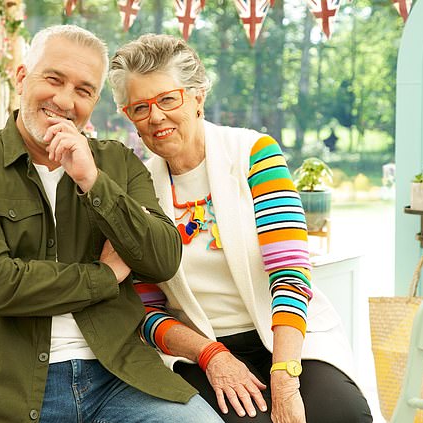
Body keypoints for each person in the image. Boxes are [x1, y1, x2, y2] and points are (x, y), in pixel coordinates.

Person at [0, 25, 223, 423]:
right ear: (21, 78)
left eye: (83, 90)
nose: (64, 100)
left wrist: (93, 182)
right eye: (53, 79)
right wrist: (104, 277)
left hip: (120, 378)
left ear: (95, 101)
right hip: (4, 388)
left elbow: (163, 259)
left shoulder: (116, 163)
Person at [108, 34, 373, 423]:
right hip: (200, 349)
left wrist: (284, 379)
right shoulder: (135, 190)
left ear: (198, 96)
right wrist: (211, 355)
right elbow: (145, 310)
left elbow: (290, 273)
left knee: (342, 414)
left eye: (168, 99)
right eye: (139, 107)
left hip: (288, 337)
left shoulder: (253, 154)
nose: (156, 117)